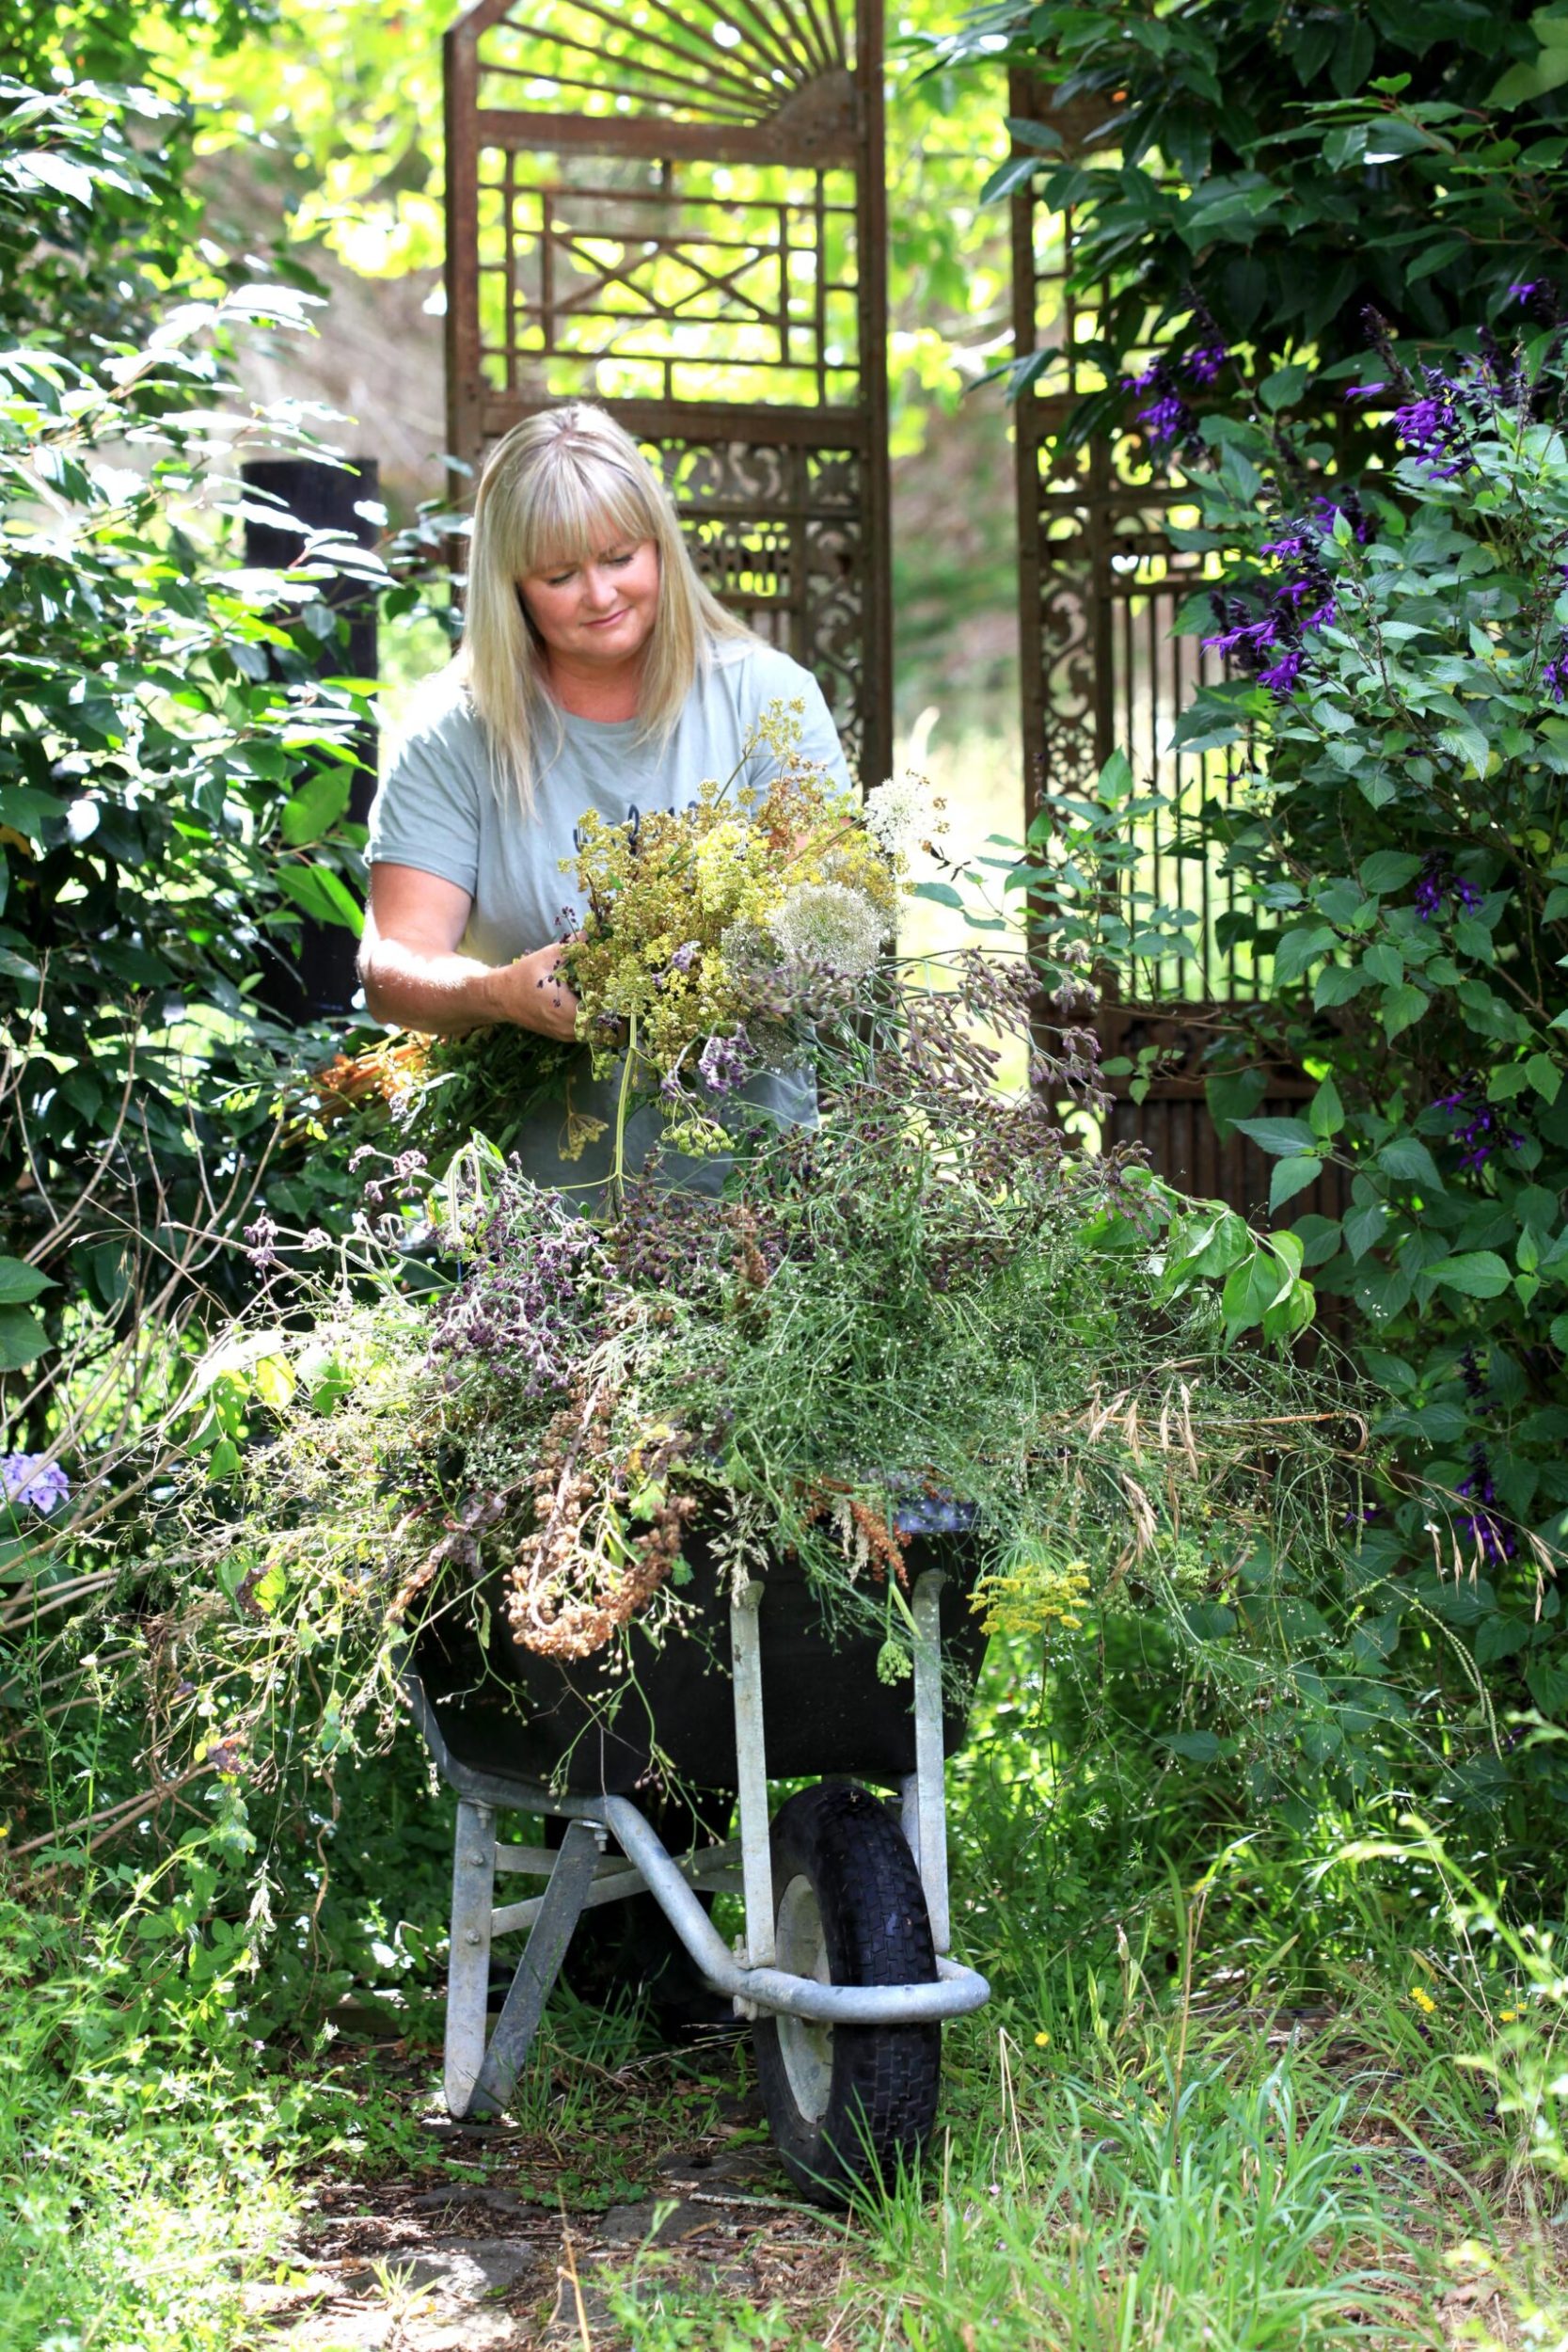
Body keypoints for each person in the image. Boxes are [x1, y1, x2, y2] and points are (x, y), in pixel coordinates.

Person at [359, 402, 850, 1193]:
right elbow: (391, 968)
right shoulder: (456, 734)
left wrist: (744, 966)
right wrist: (500, 995)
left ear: (660, 544)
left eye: (620, 556)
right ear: (510, 586)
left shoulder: (764, 698)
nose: (599, 594)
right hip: (529, 1240)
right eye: (559, 576)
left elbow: (832, 928)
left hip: (760, 1210)